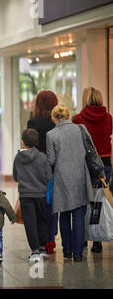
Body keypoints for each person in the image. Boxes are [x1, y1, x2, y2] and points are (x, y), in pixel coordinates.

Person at [46, 104, 92, 262]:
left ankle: (67, 251)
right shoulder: (80, 129)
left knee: (64, 214)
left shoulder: (51, 135)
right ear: (67, 115)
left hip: (62, 178)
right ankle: (78, 254)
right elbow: (89, 151)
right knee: (79, 214)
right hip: (80, 175)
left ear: (54, 118)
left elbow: (51, 160)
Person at [73, 87, 112, 253]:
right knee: (98, 201)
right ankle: (97, 240)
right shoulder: (109, 118)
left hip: (85, 163)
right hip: (104, 163)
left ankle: (82, 240)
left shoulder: (78, 118)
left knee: (83, 201)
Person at [27, 90, 59, 254]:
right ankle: (51, 239)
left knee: (38, 204)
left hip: (36, 169)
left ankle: (41, 240)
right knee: (52, 204)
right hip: (53, 168)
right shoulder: (56, 123)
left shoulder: (32, 122)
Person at [13, 129, 52, 262]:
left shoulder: (18, 158)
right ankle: (42, 247)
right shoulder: (42, 157)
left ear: (23, 143)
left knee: (30, 223)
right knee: (41, 220)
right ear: (37, 142)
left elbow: (15, 176)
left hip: (25, 195)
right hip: (41, 195)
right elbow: (48, 176)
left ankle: (34, 250)